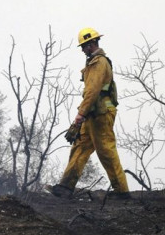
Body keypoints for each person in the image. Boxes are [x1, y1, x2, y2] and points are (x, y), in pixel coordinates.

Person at [49, 27, 131, 200]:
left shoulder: (99, 62)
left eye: (85, 45)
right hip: (93, 114)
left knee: (106, 151)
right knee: (80, 146)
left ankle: (122, 192)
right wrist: (83, 115)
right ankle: (65, 186)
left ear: (93, 43)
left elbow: (92, 92)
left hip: (101, 114)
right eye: (82, 46)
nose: (83, 50)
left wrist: (79, 116)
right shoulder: (93, 63)